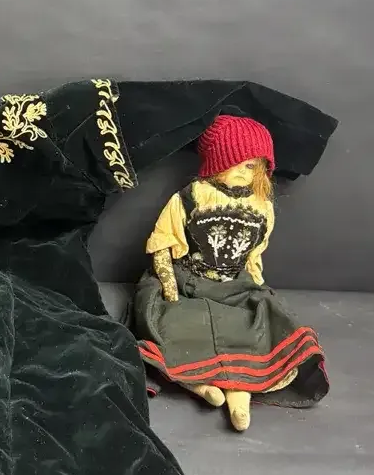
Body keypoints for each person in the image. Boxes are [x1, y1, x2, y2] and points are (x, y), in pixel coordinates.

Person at [134, 115, 329, 431]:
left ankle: (240, 395)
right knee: (175, 325)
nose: (243, 171)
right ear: (216, 162)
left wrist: (256, 286)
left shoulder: (261, 206)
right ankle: (201, 386)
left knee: (257, 326)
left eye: (252, 166)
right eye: (234, 162)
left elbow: (254, 254)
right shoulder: (190, 197)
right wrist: (169, 286)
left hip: (234, 285)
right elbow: (162, 245)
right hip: (188, 280)